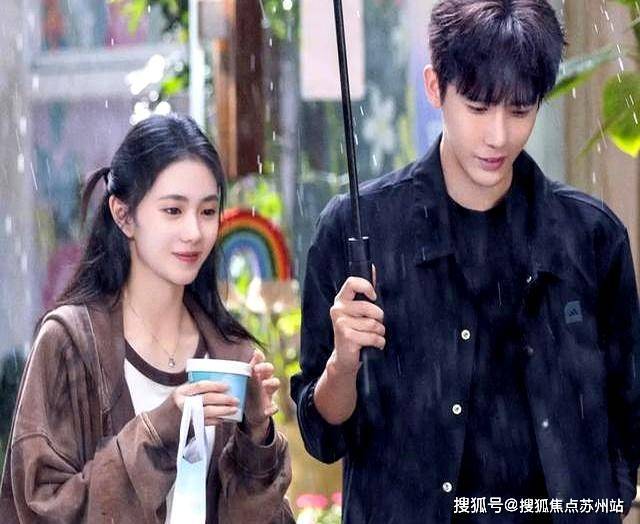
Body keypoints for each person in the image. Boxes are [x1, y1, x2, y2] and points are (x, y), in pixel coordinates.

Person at [291, 1, 640, 523]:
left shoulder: (590, 237)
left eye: (520, 110)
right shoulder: (356, 228)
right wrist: (343, 364)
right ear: (435, 87)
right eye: (477, 107)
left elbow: (627, 415)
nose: (498, 135)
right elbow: (322, 436)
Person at [0, 114, 294, 523]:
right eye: (173, 210)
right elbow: (38, 509)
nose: (194, 231)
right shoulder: (70, 343)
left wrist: (256, 437)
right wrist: (159, 432)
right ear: (123, 215)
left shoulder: (231, 354)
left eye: (208, 211)